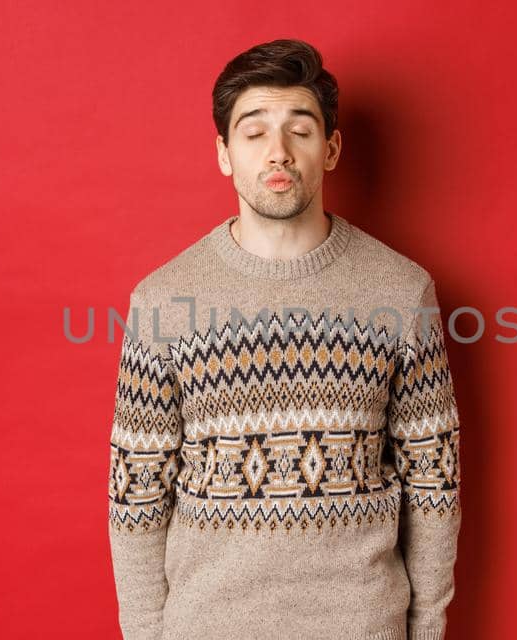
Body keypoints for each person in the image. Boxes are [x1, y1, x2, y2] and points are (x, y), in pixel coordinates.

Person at [106, 38, 462, 640]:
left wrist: (426, 626)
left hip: (362, 625)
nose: (279, 151)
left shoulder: (402, 292)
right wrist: (144, 631)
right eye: (253, 133)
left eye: (300, 130)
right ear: (224, 154)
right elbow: (137, 492)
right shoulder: (163, 301)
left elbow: (435, 481)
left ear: (331, 148)